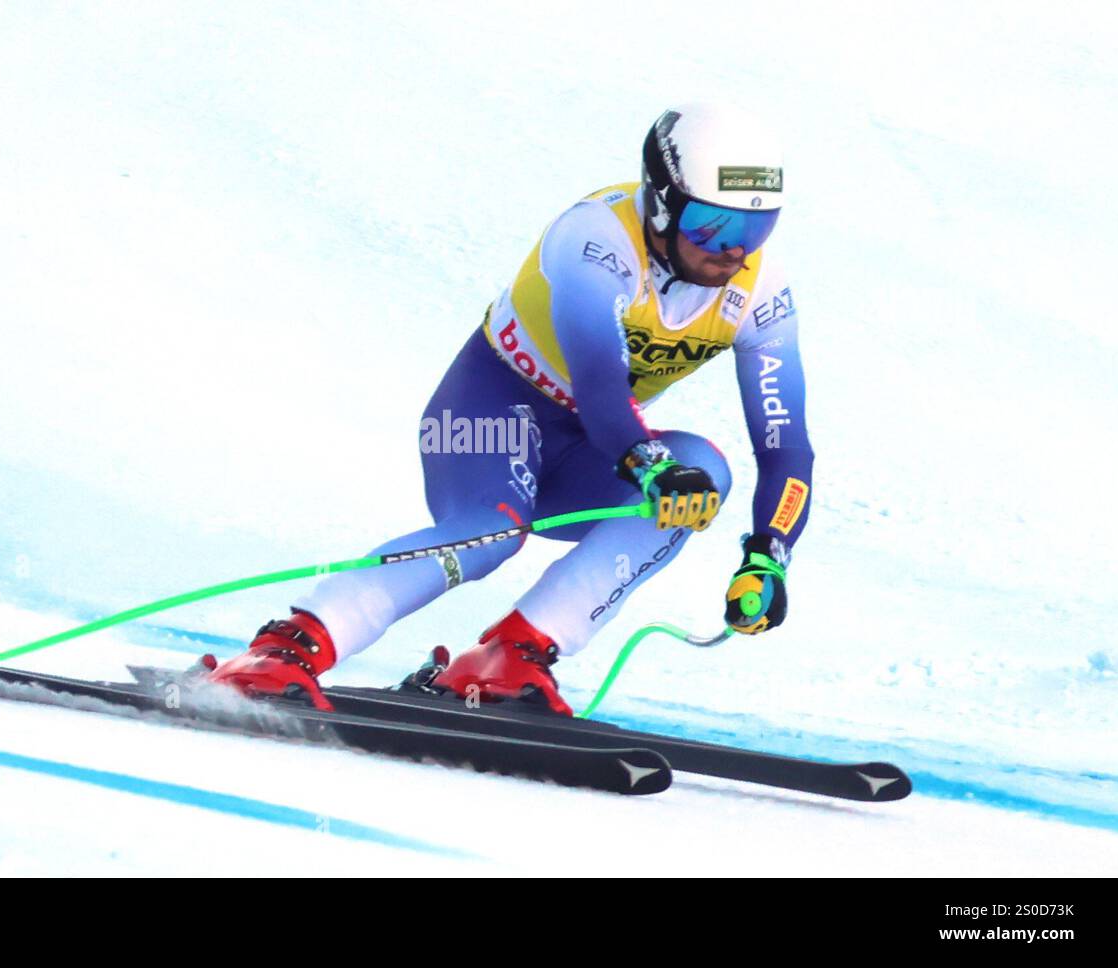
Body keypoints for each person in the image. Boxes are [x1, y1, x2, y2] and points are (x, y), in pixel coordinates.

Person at [208, 102, 814, 715]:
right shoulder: (596, 238)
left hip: (592, 449)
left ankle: (512, 654)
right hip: (487, 416)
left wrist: (770, 552)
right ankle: (289, 647)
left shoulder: (760, 291)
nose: (733, 251)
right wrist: (651, 464)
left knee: (702, 476)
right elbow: (602, 388)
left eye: (755, 229)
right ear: (661, 202)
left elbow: (786, 446)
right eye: (713, 226)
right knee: (491, 531)